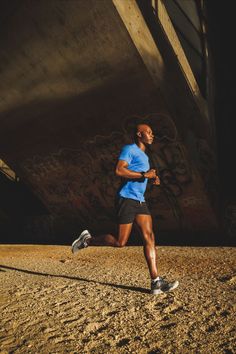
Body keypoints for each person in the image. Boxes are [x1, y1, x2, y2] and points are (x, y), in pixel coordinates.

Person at [71, 123, 179, 294]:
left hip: (140, 201)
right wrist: (145, 175)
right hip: (126, 199)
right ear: (139, 134)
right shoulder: (129, 149)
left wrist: (151, 179)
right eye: (148, 133)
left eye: (152, 133)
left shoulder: (144, 156)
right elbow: (119, 170)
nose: (152, 135)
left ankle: (155, 281)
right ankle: (87, 240)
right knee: (120, 242)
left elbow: (139, 175)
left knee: (149, 237)